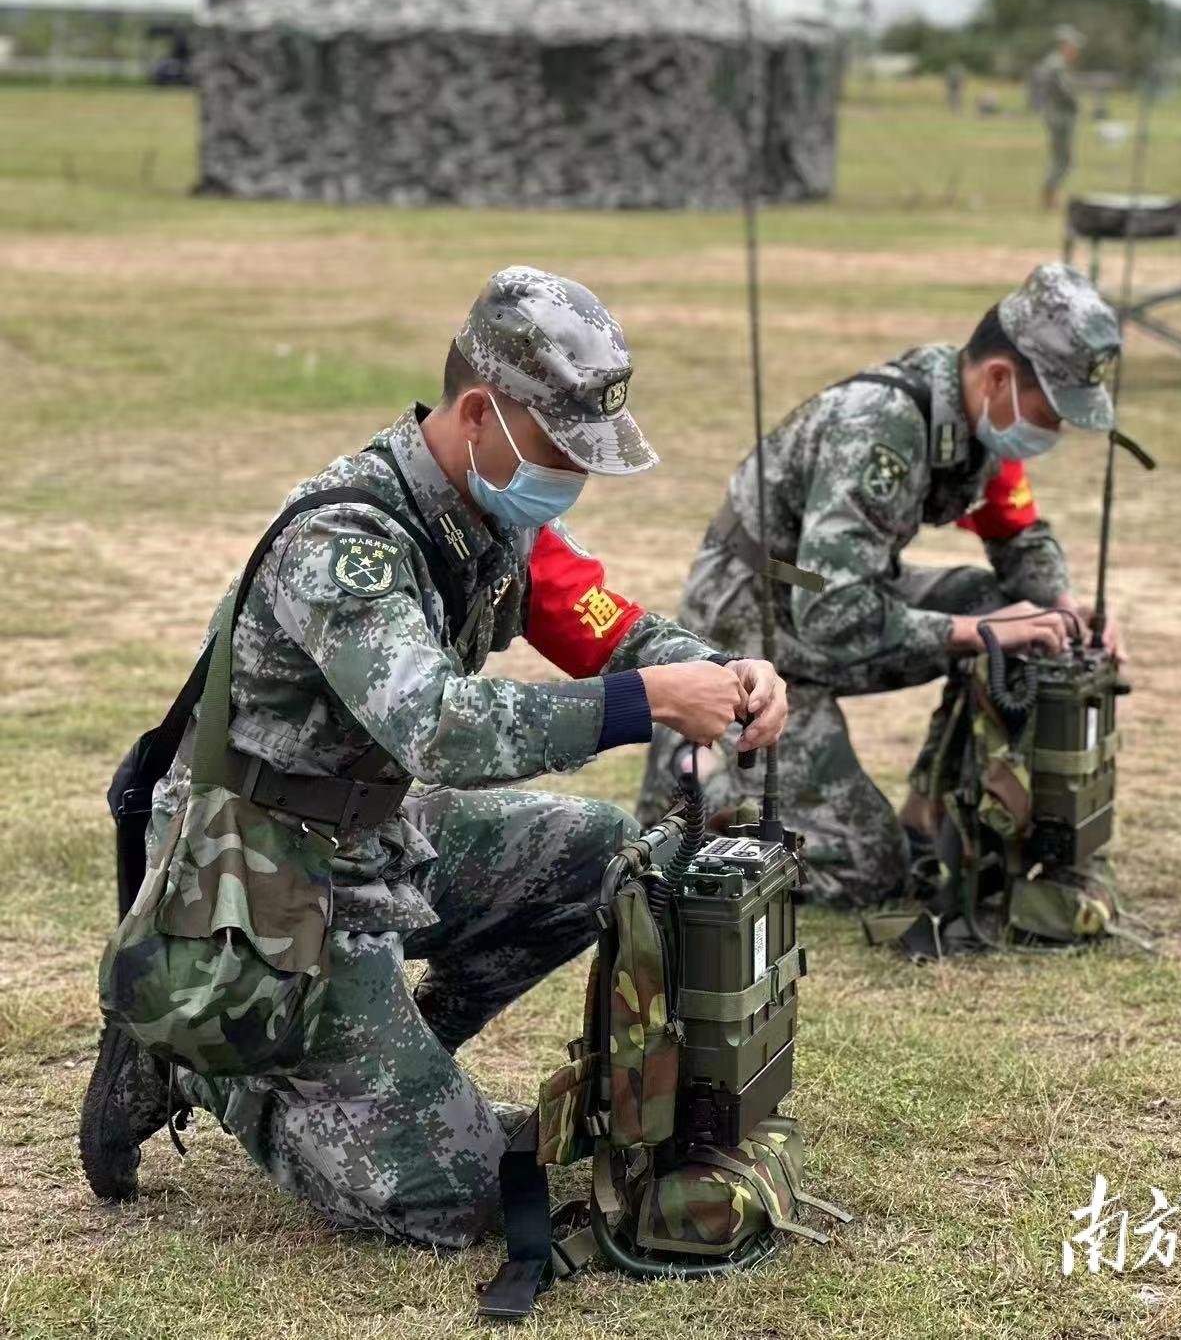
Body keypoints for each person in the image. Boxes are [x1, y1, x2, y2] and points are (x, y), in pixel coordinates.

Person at [81, 265, 787, 1250]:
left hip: (374, 833)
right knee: (451, 1200)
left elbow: (602, 627)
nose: (572, 477)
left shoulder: (490, 519)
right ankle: (205, 1061)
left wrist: (715, 671)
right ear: (476, 413)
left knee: (603, 857)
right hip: (261, 871)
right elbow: (437, 727)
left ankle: (389, 1064)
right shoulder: (348, 539)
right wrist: (649, 704)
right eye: (558, 448)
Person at [635, 264, 1122, 909]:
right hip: (755, 624)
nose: (1054, 431)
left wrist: (1062, 606)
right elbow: (832, 613)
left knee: (1019, 618)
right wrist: (975, 634)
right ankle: (697, 789)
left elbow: (1018, 535)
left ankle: (949, 813)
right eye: (1052, 412)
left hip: (822, 596)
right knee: (868, 868)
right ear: (1001, 378)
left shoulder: (977, 421)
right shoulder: (882, 428)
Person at [1036, 24, 1083, 209]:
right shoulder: (1056, 64)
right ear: (1066, 46)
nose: (1076, 52)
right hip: (1060, 117)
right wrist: (1076, 104)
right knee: (1063, 159)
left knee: (1061, 158)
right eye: (1074, 48)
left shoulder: (1053, 63)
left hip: (1056, 115)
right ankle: (1049, 194)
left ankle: (1050, 194)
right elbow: (1064, 91)